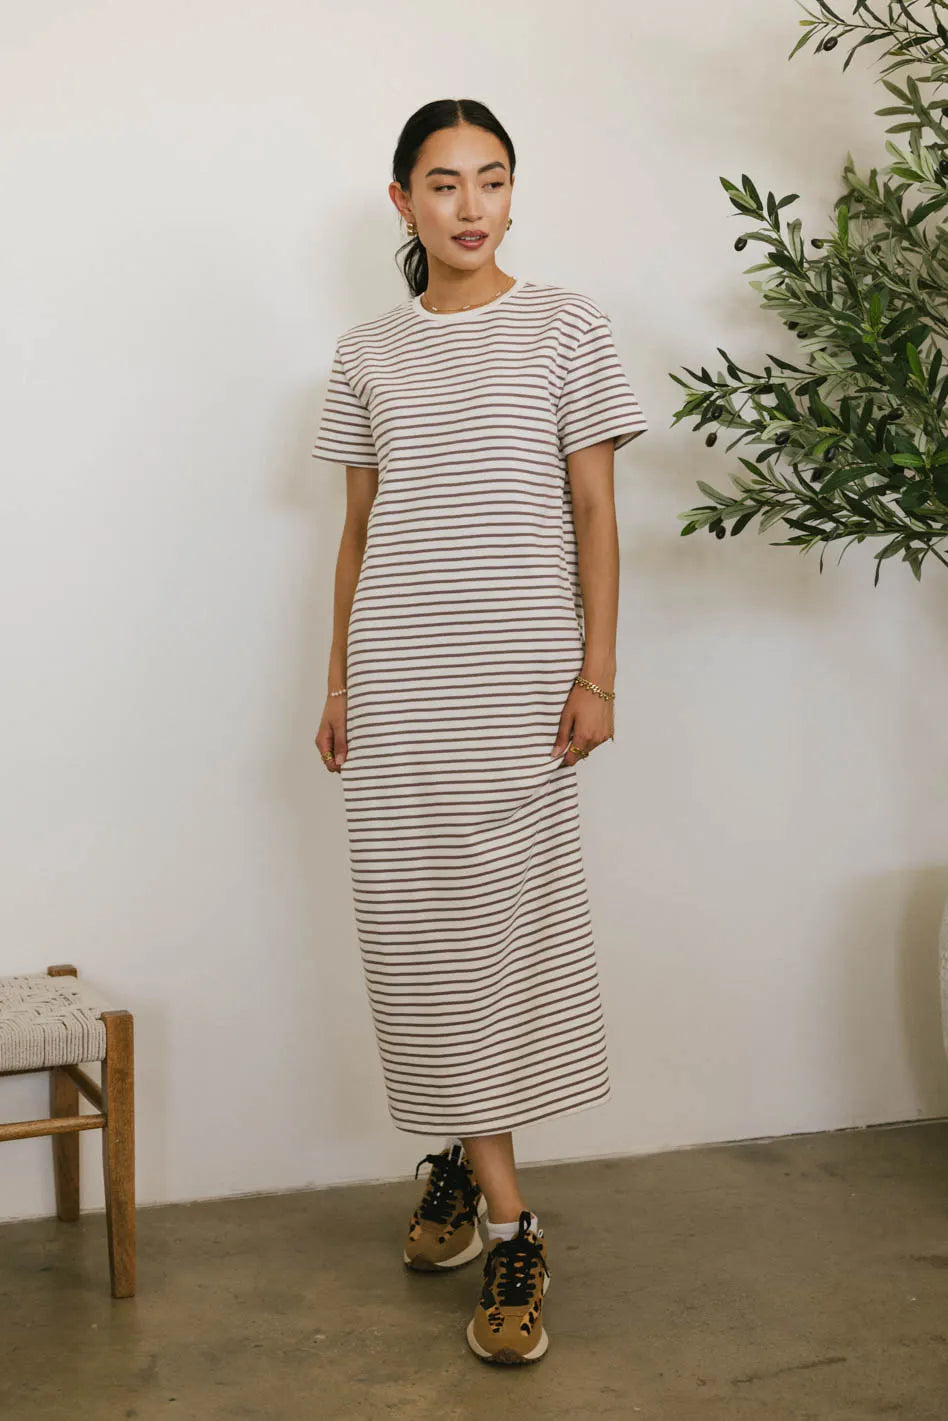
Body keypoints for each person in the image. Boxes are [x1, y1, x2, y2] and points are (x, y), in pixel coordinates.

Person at [311, 97, 648, 1365]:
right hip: (400, 686)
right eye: (445, 183)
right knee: (421, 941)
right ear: (403, 200)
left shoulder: (568, 325)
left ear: (514, 192)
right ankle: (473, 1170)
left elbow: (595, 511)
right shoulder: (365, 352)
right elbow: (359, 534)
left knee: (494, 941)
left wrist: (597, 674)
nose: (471, 206)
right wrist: (339, 681)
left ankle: (506, 1220)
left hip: (519, 690)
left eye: (491, 179)